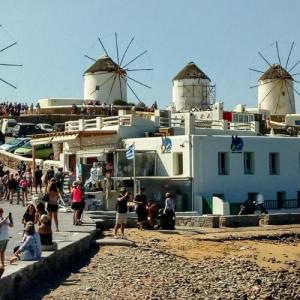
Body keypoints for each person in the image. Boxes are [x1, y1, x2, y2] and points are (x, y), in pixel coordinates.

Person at [0, 208, 13, 274]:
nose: (1, 213)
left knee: (2, 252)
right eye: (0, 212)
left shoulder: (4, 218)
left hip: (5, 237)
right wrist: (4, 220)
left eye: (1, 212)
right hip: (0, 238)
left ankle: (2, 264)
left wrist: (10, 219)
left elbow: (11, 226)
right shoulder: (3, 219)